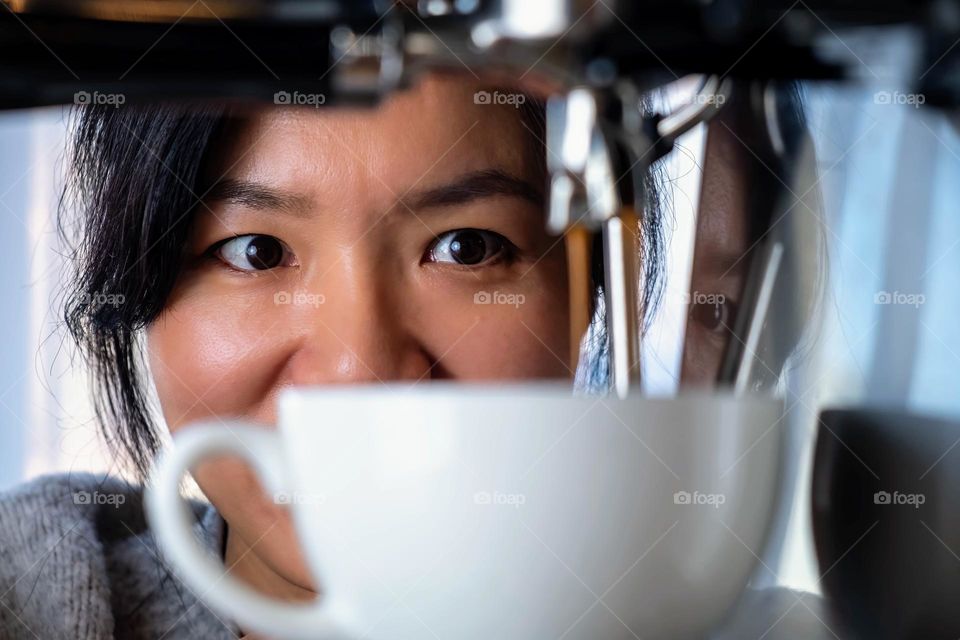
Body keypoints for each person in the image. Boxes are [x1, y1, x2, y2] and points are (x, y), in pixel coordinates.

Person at [0, 72, 826, 639]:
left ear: (588, 299)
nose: (360, 370)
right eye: (255, 252)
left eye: (467, 248)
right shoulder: (39, 589)